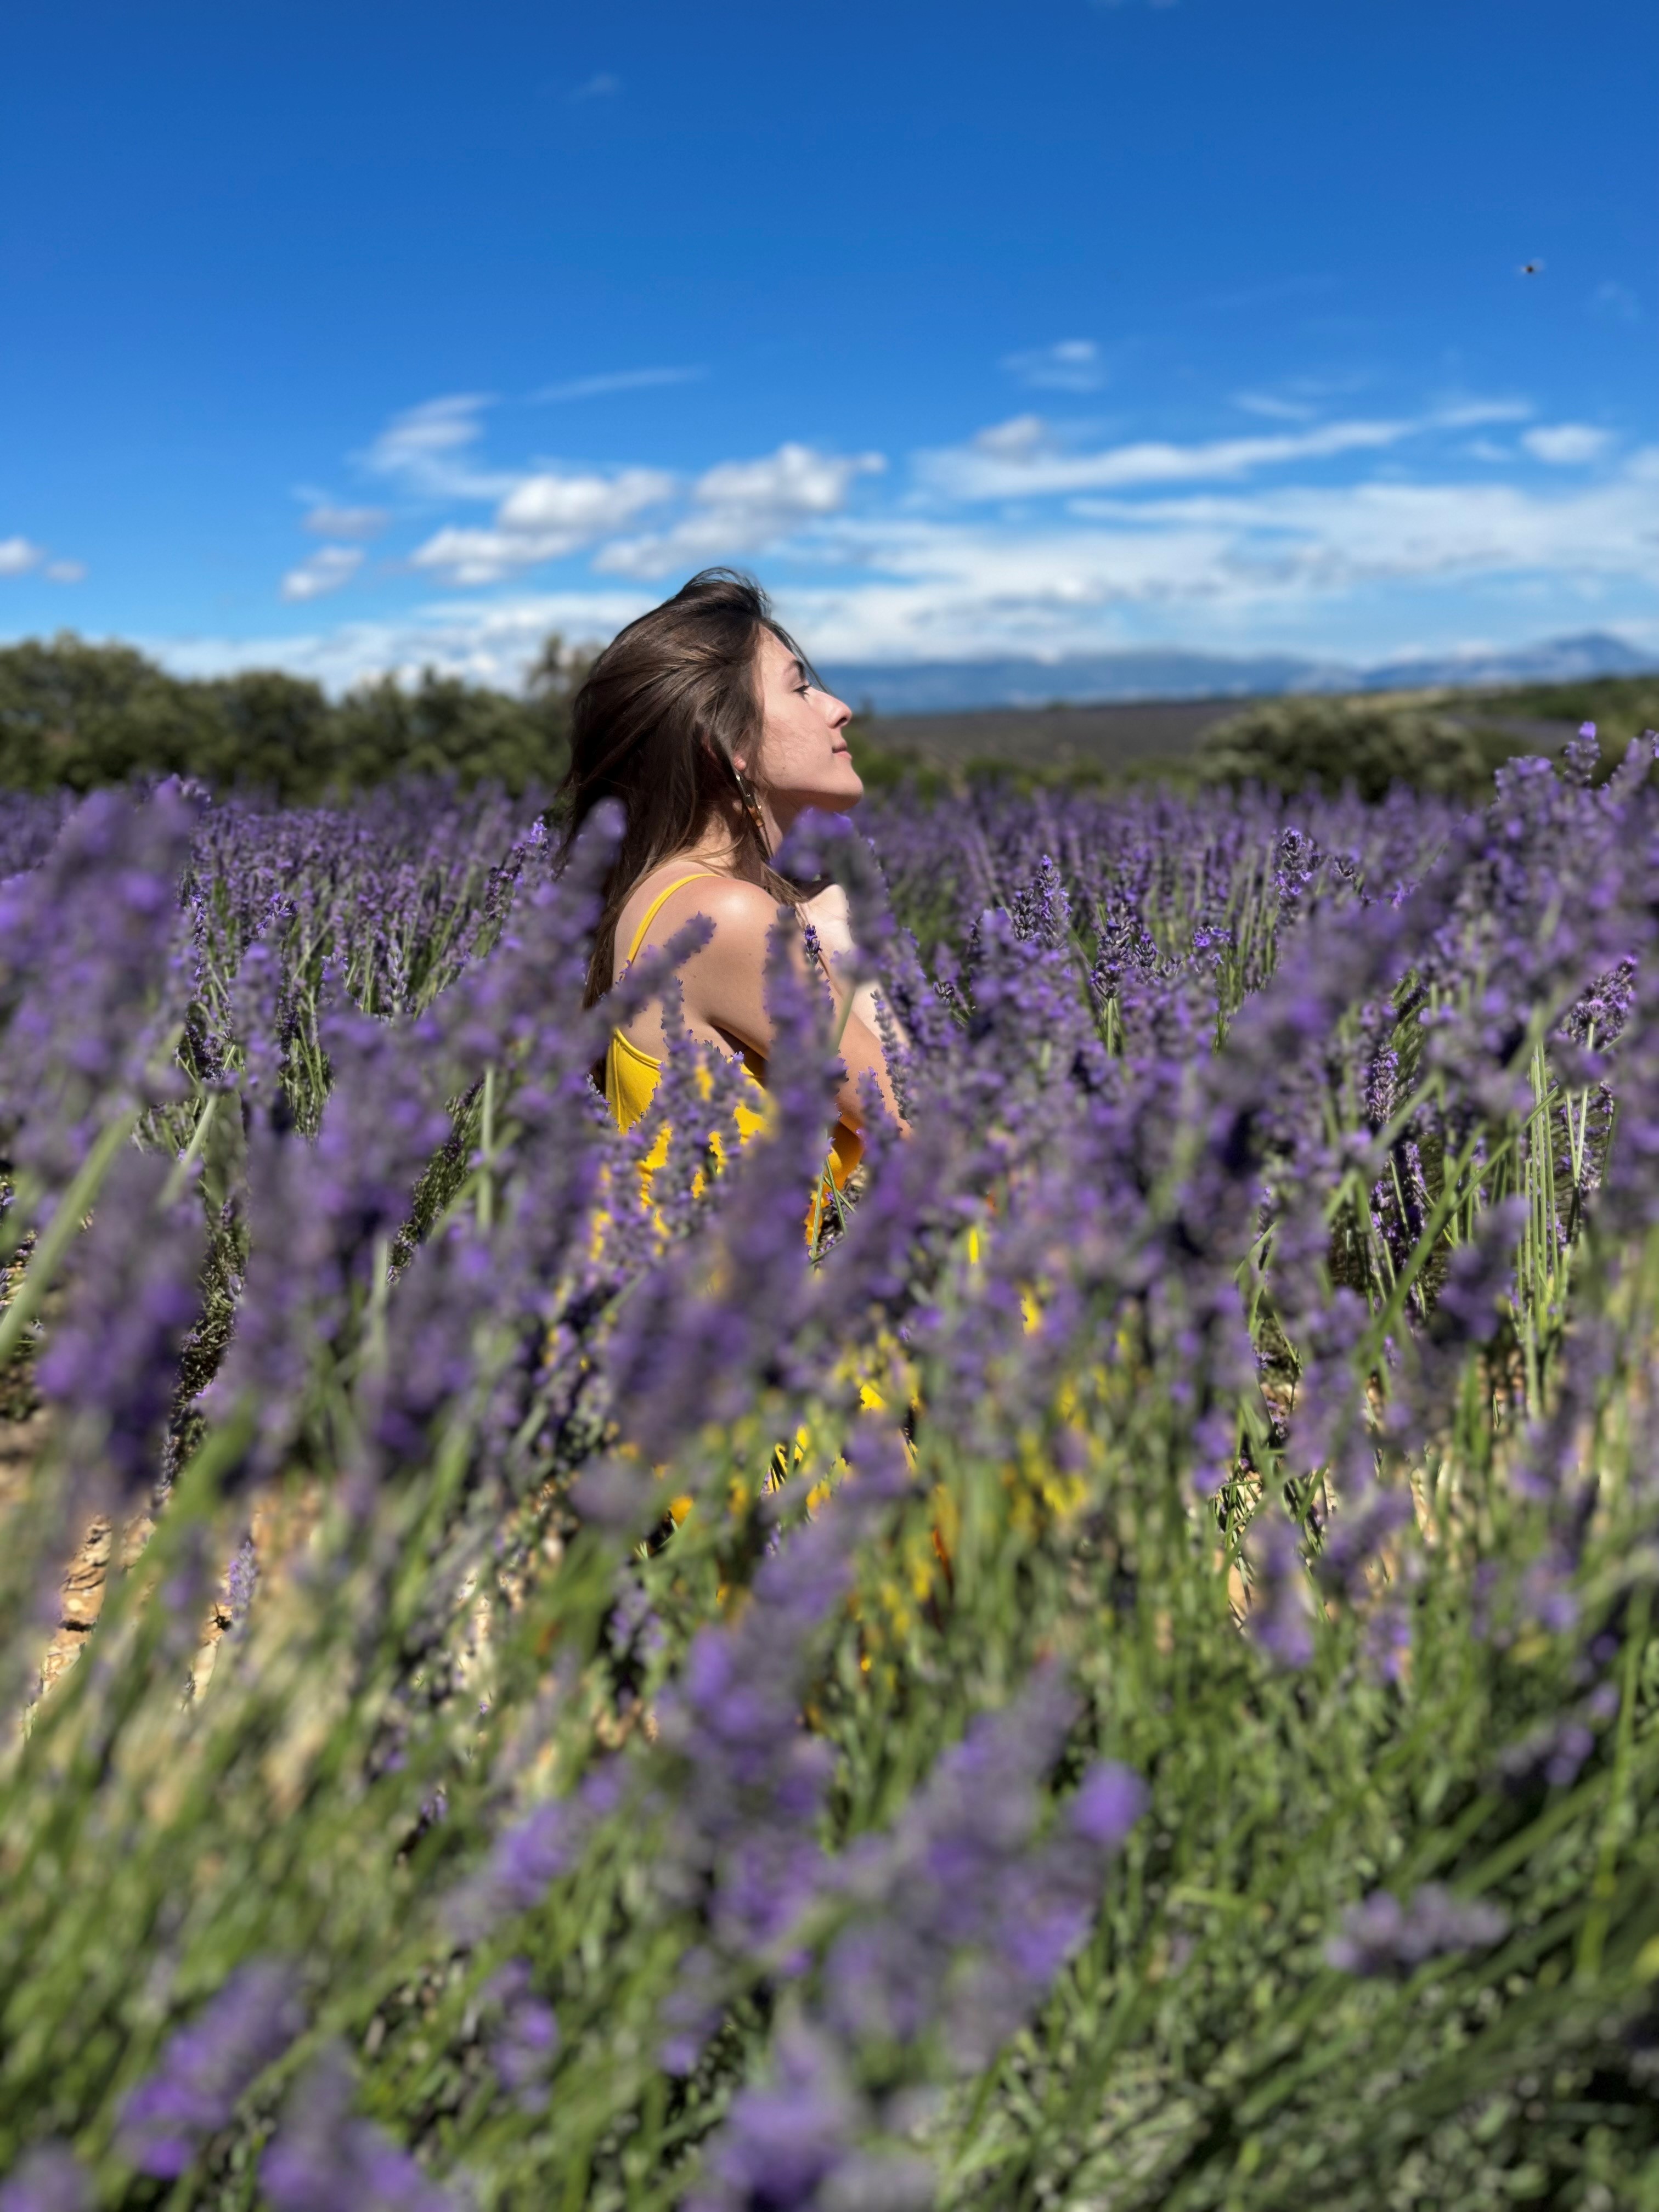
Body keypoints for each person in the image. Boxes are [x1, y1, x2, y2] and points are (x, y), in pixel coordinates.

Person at [557, 569, 908, 1198]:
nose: (838, 708)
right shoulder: (725, 918)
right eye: (800, 688)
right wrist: (844, 944)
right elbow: (929, 1131)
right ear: (725, 744)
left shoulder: (666, 894)